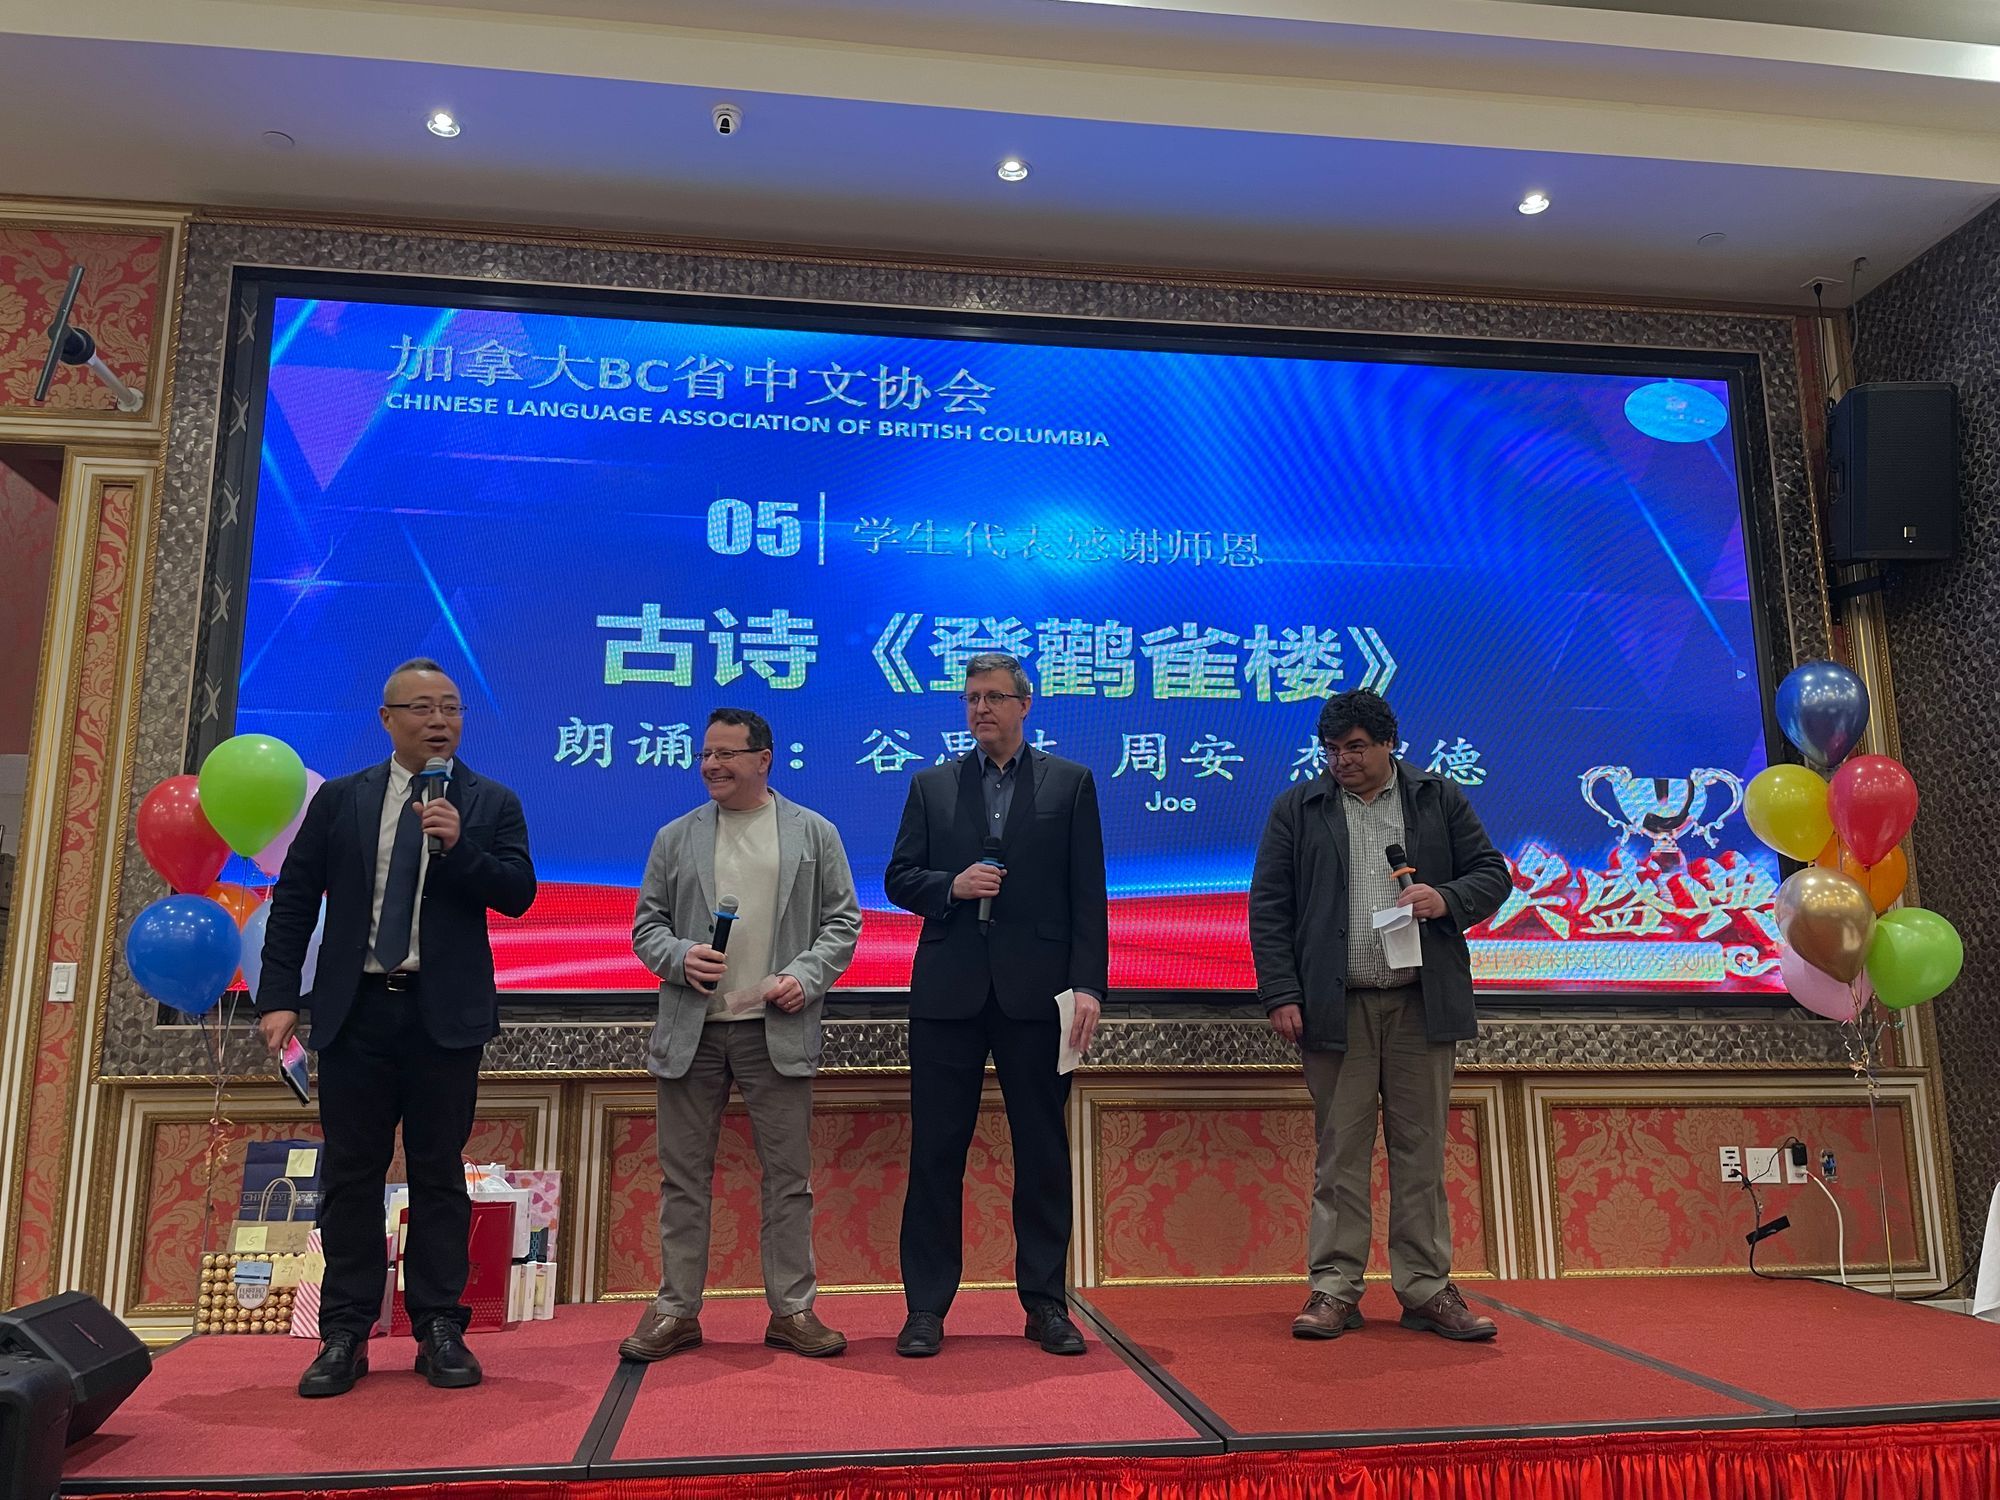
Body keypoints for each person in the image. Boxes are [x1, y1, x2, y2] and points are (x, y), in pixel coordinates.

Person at [256, 658, 536, 1397]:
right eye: (422, 707)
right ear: (387, 719)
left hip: (443, 1016)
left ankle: (440, 1325)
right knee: (352, 1176)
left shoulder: (489, 800)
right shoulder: (343, 799)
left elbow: (518, 894)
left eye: (452, 707)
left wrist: (460, 847)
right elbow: (295, 897)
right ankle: (345, 1332)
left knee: (439, 1172)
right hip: (356, 1012)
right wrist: (278, 996)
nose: (439, 720)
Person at [1248, 690, 1509, 1343]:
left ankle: (1425, 1289)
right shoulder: (1299, 808)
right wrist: (1281, 993)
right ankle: (1334, 1289)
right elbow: (1270, 907)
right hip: (1336, 1008)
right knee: (1340, 1154)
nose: (1342, 760)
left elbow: (1492, 874)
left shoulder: (1436, 798)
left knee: (1420, 1153)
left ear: (1390, 743)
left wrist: (1444, 898)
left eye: (1356, 747)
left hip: (1422, 1004)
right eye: (1332, 749)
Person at [618, 708, 862, 1363]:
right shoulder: (676, 836)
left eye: (726, 754)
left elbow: (843, 923)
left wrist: (803, 977)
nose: (712, 766)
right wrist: (680, 957)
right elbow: (646, 928)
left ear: (763, 759)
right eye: (706, 754)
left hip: (774, 1030)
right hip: (692, 1032)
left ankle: (792, 1310)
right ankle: (676, 1311)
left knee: (788, 1180)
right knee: (683, 1180)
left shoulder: (813, 833)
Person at [885, 653, 1106, 1358]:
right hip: (948, 994)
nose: (980, 709)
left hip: (1037, 995)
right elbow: (899, 878)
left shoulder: (1070, 784)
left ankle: (1045, 1305)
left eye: (994, 697)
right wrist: (951, 886)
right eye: (971, 698)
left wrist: (1090, 987)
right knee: (935, 1153)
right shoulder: (931, 785)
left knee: (1042, 1153)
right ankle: (926, 1308)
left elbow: (1087, 896)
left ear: (1024, 704)